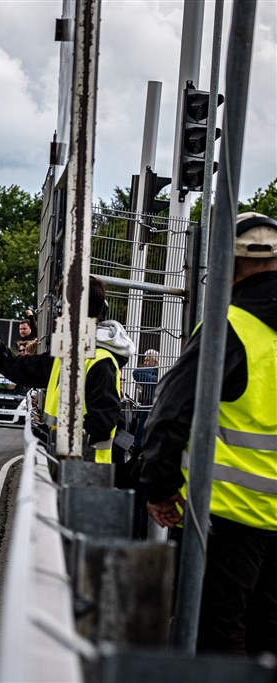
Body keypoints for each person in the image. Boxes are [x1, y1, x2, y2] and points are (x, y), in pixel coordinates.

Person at [139, 211, 277, 656]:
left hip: (224, 519)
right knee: (267, 639)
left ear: (225, 265)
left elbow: (169, 413)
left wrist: (160, 488)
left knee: (217, 638)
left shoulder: (228, 327)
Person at [0, 276, 135, 463]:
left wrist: (51, 437)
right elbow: (15, 367)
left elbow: (101, 424)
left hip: (86, 473)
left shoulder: (100, 362)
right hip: (63, 467)